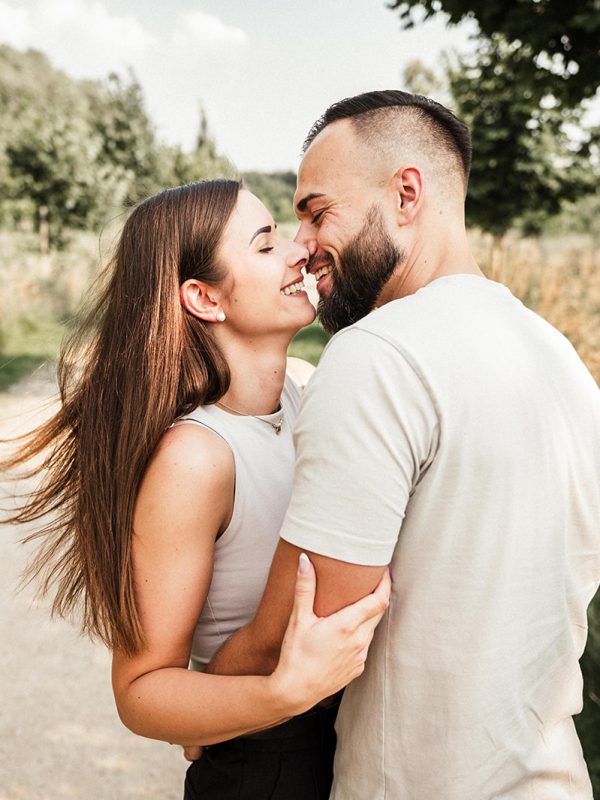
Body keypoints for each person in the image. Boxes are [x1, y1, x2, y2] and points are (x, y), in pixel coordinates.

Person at [207, 91, 600, 799]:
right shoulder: (558, 357)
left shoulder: (376, 355)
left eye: (316, 211)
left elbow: (304, 627)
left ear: (407, 194)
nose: (301, 244)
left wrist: (202, 710)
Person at [2, 179, 390, 799]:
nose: (298, 251)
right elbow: (141, 692)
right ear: (205, 298)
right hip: (267, 770)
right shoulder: (197, 458)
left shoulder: (306, 388)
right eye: (264, 246)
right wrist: (276, 694)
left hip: (348, 743)